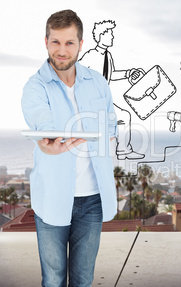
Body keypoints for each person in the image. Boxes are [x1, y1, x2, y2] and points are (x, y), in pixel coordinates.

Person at [21, 10, 117, 286]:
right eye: (55, 42)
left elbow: (110, 125)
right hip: (52, 198)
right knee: (53, 279)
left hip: (93, 200)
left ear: (81, 44)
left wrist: (108, 140)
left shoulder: (97, 82)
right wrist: (49, 142)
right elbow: (43, 122)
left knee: (83, 279)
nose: (62, 51)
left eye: (69, 43)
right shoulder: (35, 86)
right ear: (46, 42)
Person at [79, 20, 144, 160]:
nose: (112, 37)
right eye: (110, 33)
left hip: (101, 101)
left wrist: (128, 73)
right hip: (90, 102)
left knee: (124, 116)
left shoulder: (108, 56)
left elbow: (112, 74)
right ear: (101, 35)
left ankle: (123, 150)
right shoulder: (90, 56)